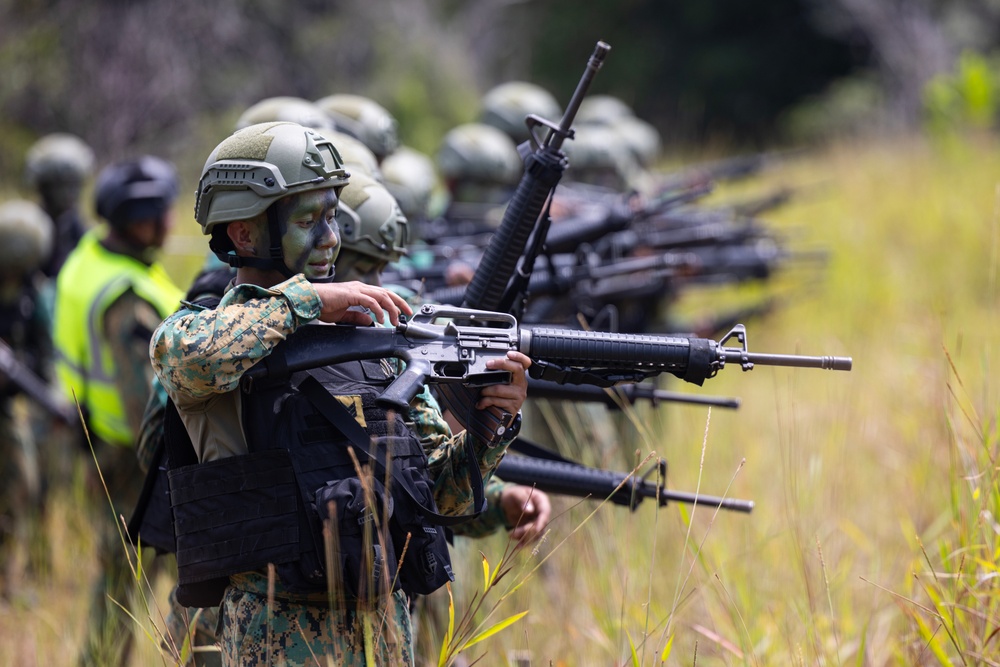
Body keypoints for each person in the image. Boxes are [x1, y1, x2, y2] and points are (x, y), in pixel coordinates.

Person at [150, 120, 531, 666]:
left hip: (386, 630)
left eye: (333, 217)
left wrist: (489, 429)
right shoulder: (203, 331)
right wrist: (310, 302)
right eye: (309, 221)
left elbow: (442, 499)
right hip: (275, 636)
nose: (330, 238)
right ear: (244, 234)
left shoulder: (373, 342)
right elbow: (185, 355)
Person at [52, 155, 183, 665]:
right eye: (163, 212)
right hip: (134, 463)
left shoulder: (89, 257)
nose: (172, 224)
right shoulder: (127, 300)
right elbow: (145, 411)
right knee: (177, 585)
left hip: (99, 441)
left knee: (116, 576)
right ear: (140, 220)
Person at [0, 199, 55, 598]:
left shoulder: (33, 294)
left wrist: (19, 365)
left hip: (8, 408)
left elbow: (42, 355)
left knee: (22, 486)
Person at [23, 132, 95, 279]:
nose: (69, 193)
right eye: (60, 185)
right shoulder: (26, 230)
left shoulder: (85, 235)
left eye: (73, 184)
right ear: (43, 187)